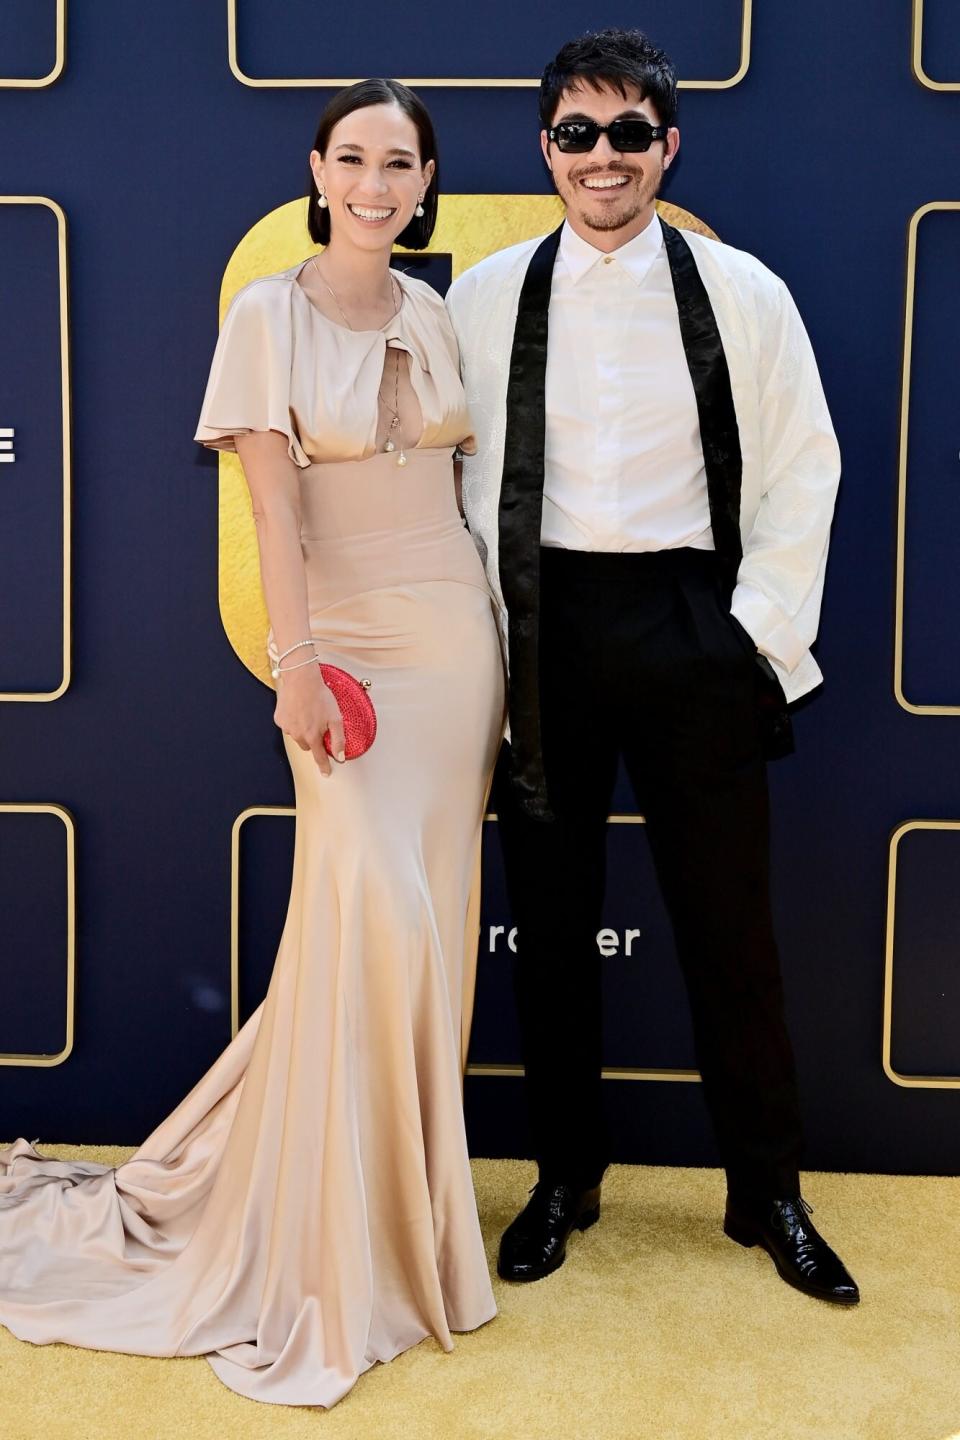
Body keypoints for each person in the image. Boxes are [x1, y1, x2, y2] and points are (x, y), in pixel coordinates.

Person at [0, 79, 504, 1406]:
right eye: (355, 158)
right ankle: (325, 1239)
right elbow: (274, 513)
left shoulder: (439, 314)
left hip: (455, 645)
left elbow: (463, 497)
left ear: (427, 182)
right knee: (369, 914)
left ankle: (411, 1236)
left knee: (430, 935)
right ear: (316, 171)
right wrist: (299, 665)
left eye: (401, 163)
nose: (377, 183)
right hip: (342, 650)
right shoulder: (266, 313)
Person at [445, 28, 859, 1304]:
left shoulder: (747, 293)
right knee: (553, 929)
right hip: (541, 628)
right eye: (579, 133)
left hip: (695, 619)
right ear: (545, 150)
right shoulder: (484, 294)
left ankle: (767, 1191)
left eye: (631, 132)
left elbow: (803, 469)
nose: (604, 156)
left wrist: (753, 641)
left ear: (669, 146)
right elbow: (450, 483)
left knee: (730, 925)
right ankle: (564, 1181)